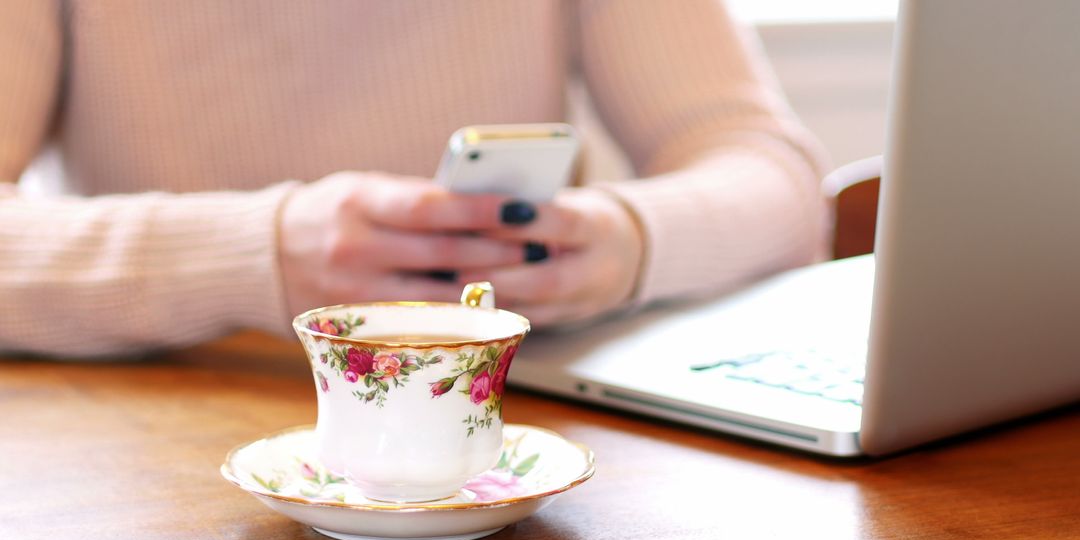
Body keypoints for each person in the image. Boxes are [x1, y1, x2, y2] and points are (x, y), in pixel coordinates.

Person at [0, 0, 829, 358]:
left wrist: (627, 244)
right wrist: (261, 255)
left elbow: (778, 184)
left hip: (507, 455)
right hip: (152, 459)